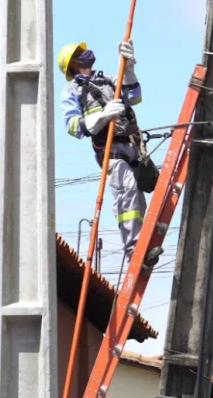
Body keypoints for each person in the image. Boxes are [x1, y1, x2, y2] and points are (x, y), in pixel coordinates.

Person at [58, 40, 158, 262]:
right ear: (73, 63)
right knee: (127, 192)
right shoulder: (71, 90)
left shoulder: (109, 79)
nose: (86, 54)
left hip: (133, 145)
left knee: (140, 198)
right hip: (111, 150)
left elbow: (134, 97)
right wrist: (103, 116)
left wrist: (129, 68)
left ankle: (144, 245)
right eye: (80, 53)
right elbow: (73, 126)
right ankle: (134, 252)